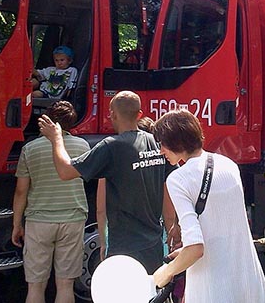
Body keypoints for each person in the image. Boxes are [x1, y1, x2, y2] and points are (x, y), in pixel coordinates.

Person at [38, 90, 179, 275]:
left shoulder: (111, 146)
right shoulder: (154, 142)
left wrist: (56, 139)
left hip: (125, 246)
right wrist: (174, 226)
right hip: (153, 244)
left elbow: (65, 171)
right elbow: (172, 186)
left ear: (112, 114)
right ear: (139, 114)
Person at [152, 109, 265, 303]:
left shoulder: (178, 179)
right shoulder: (228, 164)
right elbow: (221, 228)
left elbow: (195, 248)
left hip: (213, 288)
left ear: (176, 141)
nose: (161, 151)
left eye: (163, 144)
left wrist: (166, 272)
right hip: (250, 284)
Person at [12, 101, 90, 303]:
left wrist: (16, 224)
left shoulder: (30, 149)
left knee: (36, 287)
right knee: (65, 285)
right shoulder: (83, 146)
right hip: (73, 219)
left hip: (39, 221)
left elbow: (21, 191)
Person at [96, 115, 157, 261]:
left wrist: (104, 242)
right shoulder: (157, 156)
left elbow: (100, 210)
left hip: (121, 242)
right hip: (153, 241)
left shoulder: (111, 156)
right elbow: (168, 210)